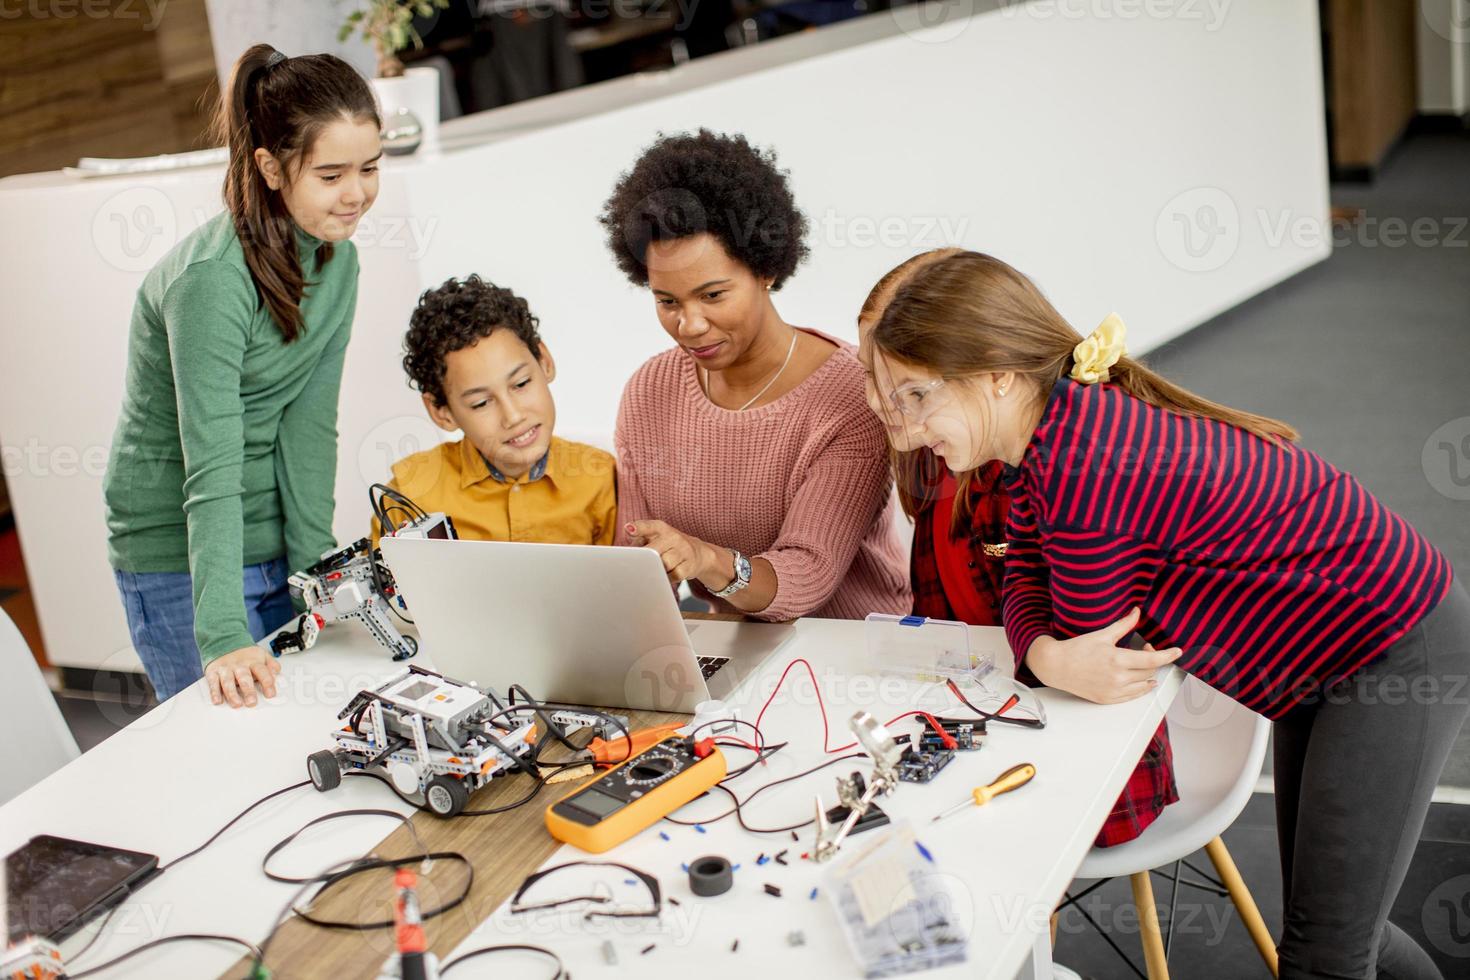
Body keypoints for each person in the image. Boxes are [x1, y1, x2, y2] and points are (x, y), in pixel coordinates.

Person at [865, 249, 1468, 980]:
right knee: (1341, 937)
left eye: (916, 396)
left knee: (1324, 956)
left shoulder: (1084, 467)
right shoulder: (1051, 438)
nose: (904, 426)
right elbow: (1033, 585)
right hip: (1327, 657)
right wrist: (1046, 654)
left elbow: (1090, 642)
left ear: (996, 375)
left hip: (1392, 647)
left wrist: (1051, 648)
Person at [858, 249, 1177, 848]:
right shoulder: (938, 458)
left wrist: (1039, 658)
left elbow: (1087, 647)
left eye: (908, 388)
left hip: (1072, 747)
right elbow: (967, 610)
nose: (883, 401)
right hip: (985, 705)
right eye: (869, 376)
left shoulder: (1032, 465)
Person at [104, 45, 381, 709]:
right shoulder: (211, 283)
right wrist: (224, 631)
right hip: (178, 550)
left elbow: (310, 427)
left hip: (273, 532)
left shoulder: (337, 264)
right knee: (226, 745)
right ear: (271, 168)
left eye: (371, 168)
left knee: (311, 725)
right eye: (332, 174)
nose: (357, 193)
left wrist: (315, 567)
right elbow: (212, 465)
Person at [600, 129, 910, 620]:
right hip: (733, 650)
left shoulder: (851, 395)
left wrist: (706, 559)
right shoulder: (648, 392)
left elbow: (806, 576)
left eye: (713, 295)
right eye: (667, 301)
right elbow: (638, 554)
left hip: (853, 647)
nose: (690, 324)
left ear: (765, 270)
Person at [380, 275, 616, 545]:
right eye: (481, 403)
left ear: (544, 362)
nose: (513, 416)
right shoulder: (410, 493)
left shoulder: (600, 478)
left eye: (521, 383)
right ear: (441, 412)